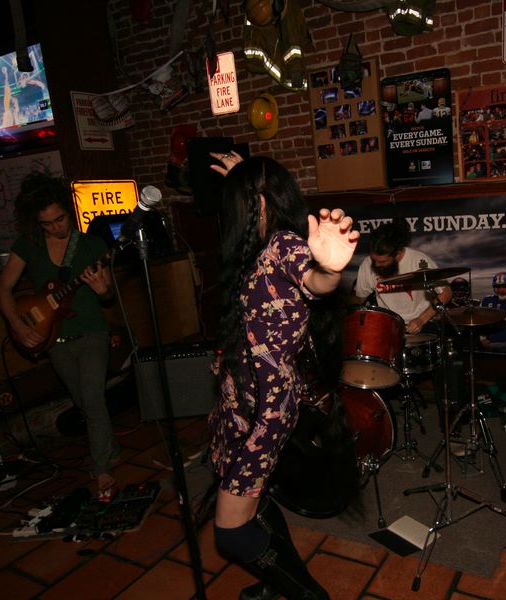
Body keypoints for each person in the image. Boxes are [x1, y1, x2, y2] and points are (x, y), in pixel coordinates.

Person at [208, 152, 358, 600]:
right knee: (256, 504)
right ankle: (280, 583)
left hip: (267, 410)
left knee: (231, 532)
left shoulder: (283, 244)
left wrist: (329, 269)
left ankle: (307, 595)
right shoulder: (257, 245)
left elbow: (315, 281)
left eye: (237, 200)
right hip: (245, 398)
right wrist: (243, 174)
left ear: (258, 202)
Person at [0, 172, 120, 500]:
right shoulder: (29, 245)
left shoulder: (91, 245)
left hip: (92, 332)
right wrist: (18, 324)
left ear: (69, 210)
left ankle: (102, 469)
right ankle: (110, 448)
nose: (56, 227)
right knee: (84, 402)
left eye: (60, 219)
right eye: (47, 223)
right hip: (54, 339)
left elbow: (108, 295)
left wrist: (103, 290)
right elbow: (3, 289)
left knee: (92, 398)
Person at [352, 220, 452, 334]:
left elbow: (446, 293)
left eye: (382, 261)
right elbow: (359, 298)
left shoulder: (419, 261)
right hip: (389, 325)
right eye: (374, 260)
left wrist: (421, 320)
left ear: (398, 254)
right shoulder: (367, 264)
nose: (376, 265)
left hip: (422, 323)